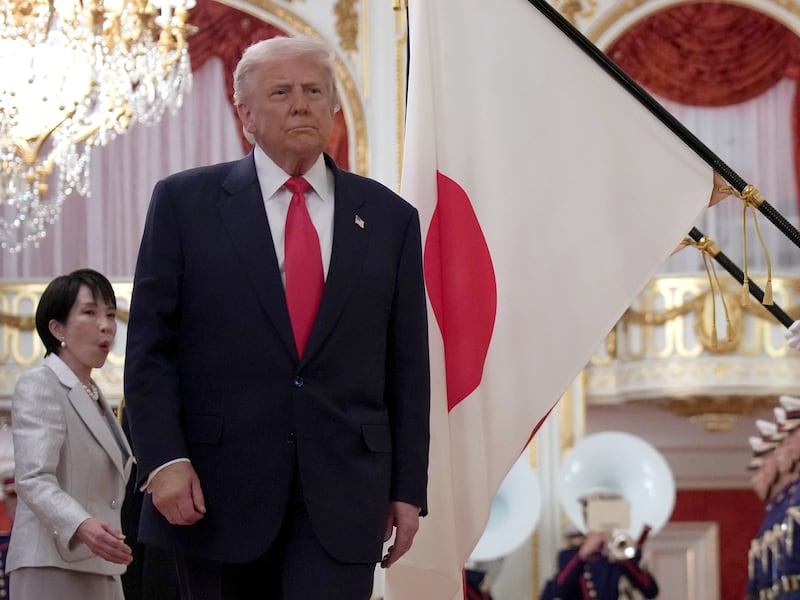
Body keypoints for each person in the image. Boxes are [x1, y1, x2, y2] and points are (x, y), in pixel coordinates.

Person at [123, 35, 430, 600]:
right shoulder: (184, 204)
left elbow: (407, 364)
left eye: (315, 90)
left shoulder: (389, 218)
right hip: (214, 495)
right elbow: (149, 349)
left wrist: (408, 488)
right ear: (245, 115)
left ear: (334, 105)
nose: (301, 104)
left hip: (343, 496)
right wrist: (163, 458)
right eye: (282, 92)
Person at [6, 269, 133, 600]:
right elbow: (33, 478)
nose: (106, 325)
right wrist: (83, 525)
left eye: (110, 313)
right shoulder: (41, 383)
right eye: (90, 313)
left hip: (103, 564)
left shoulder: (95, 395)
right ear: (56, 327)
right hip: (51, 565)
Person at [540, 495, 659, 600]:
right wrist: (583, 554)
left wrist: (622, 559)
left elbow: (651, 591)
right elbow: (555, 593)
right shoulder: (570, 556)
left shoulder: (623, 555)